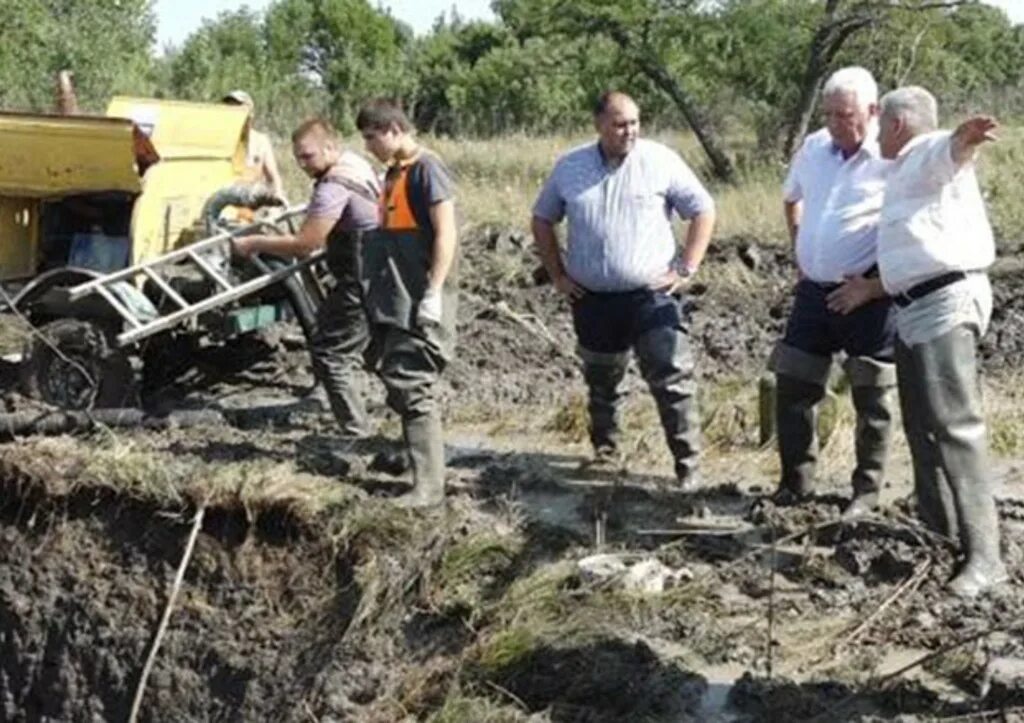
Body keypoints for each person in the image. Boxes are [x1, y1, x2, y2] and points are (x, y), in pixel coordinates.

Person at [827, 86, 1007, 598]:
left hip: (945, 302)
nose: (877, 134)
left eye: (881, 125)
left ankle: (986, 559)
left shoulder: (921, 153)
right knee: (922, 427)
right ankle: (941, 533)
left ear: (898, 124)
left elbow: (947, 150)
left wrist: (964, 138)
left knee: (955, 426)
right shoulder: (904, 173)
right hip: (913, 307)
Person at [531, 91, 715, 489]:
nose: (629, 130)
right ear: (599, 125)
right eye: (619, 124)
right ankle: (607, 453)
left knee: (671, 378)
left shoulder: (660, 161)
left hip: (650, 295)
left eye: (634, 122)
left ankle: (689, 468)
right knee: (601, 379)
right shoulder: (570, 167)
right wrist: (558, 274)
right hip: (591, 297)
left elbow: (703, 208)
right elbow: (543, 218)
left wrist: (686, 266)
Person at [768, 67, 895, 518]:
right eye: (829, 115)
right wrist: (801, 248)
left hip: (868, 294)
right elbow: (791, 196)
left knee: (872, 395)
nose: (836, 125)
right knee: (794, 384)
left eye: (846, 115)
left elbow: (914, 228)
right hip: (813, 292)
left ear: (873, 111)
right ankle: (795, 485)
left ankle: (865, 493)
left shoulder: (893, 155)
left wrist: (874, 286)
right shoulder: (815, 148)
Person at [233, 118, 380, 439]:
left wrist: (253, 242)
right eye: (298, 158)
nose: (302, 164)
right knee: (364, 346)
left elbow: (305, 244)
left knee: (330, 353)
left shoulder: (333, 186)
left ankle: (357, 433)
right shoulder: (354, 164)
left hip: (360, 279)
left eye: (308, 156)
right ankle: (384, 415)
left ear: (330, 147)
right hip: (378, 272)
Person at [355, 99, 458, 509]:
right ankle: (407, 455)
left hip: (418, 294)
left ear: (395, 129)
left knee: (414, 383)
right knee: (396, 374)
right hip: (394, 294)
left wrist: (433, 292)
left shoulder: (427, 169)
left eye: (371, 137)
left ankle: (429, 487)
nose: (368, 146)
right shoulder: (394, 173)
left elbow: (445, 233)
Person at [223, 90, 288, 202]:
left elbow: (273, 176)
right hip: (224, 200)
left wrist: (278, 193)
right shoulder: (220, 140)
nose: (233, 113)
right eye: (229, 108)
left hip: (250, 201)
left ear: (250, 113)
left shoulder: (260, 141)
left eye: (238, 109)